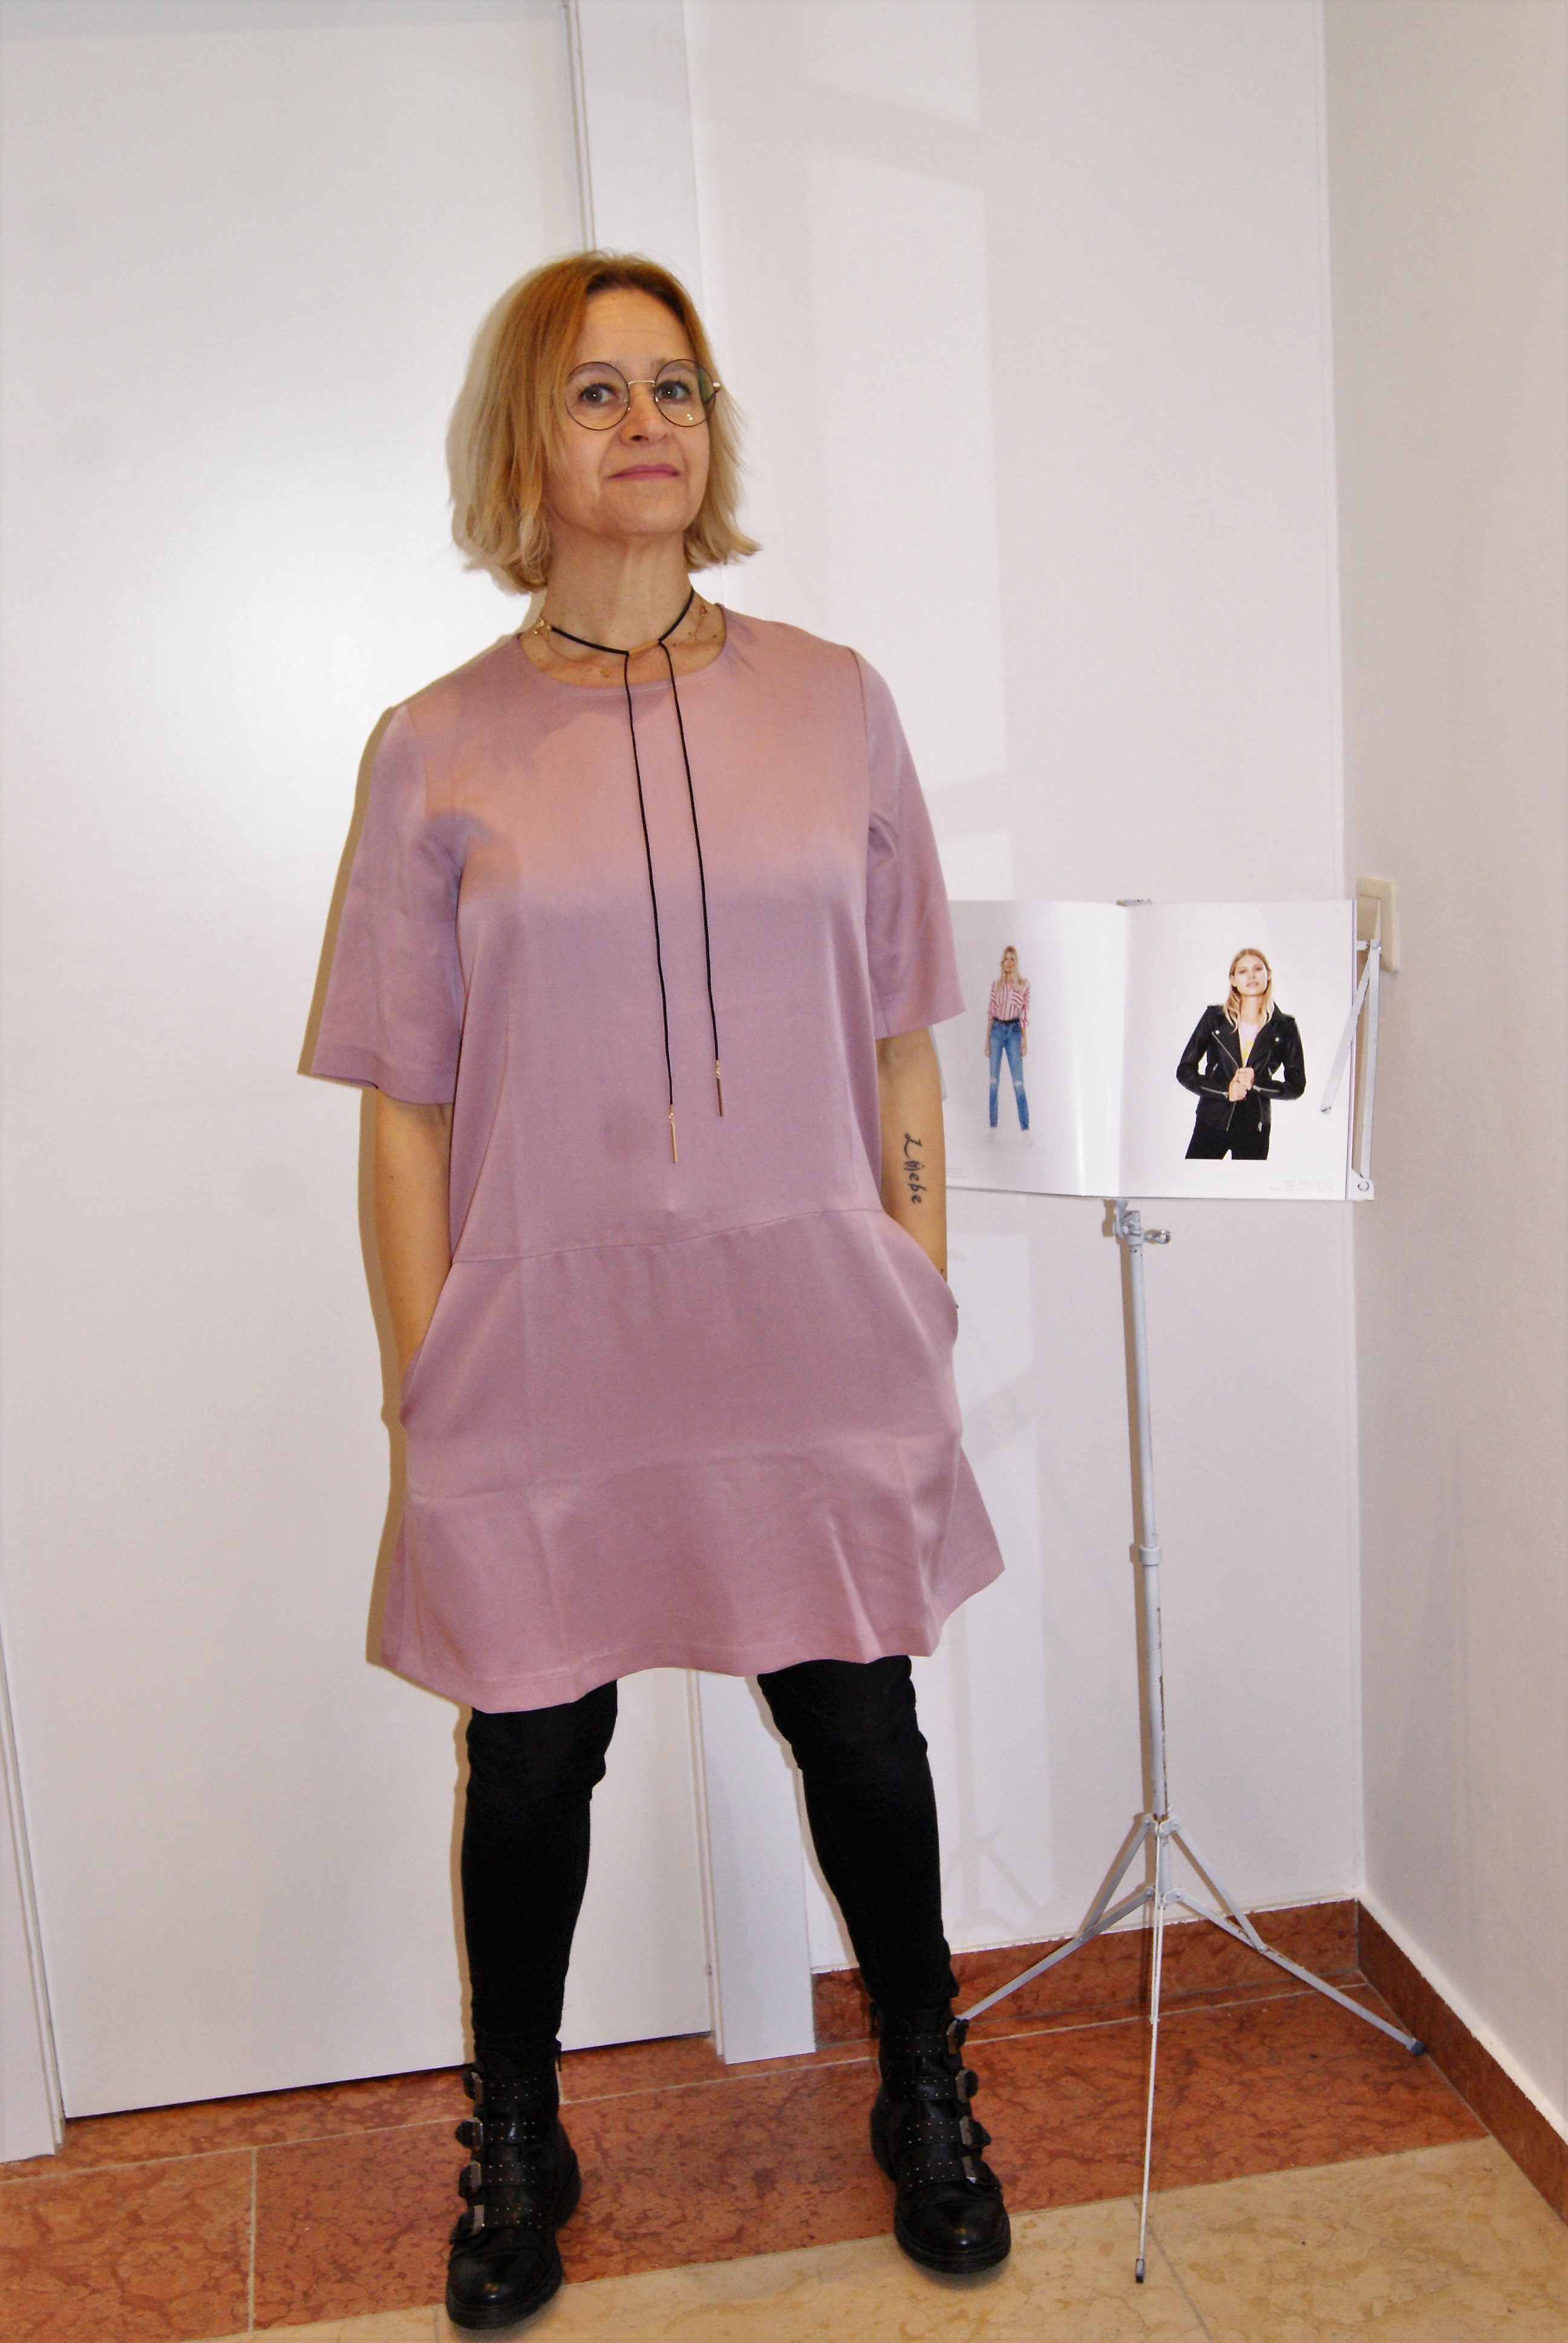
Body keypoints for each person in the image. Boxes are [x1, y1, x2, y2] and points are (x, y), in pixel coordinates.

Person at [310, 252, 1011, 2330]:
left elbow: (902, 1036)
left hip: (812, 1324)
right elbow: (407, 1104)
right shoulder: (433, 748)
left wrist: (917, 1281)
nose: (647, 424)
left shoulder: (838, 700)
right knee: (531, 1759)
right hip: (547, 1346)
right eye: (598, 390)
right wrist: (427, 1373)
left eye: (678, 387)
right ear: (522, 447)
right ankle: (519, 2133)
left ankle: (925, 2084)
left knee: (859, 1718)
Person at [1177, 947, 1305, 1160]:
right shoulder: (1214, 1018)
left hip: (1254, 1127)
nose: (1252, 976)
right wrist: (1226, 1091)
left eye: (1258, 969)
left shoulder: (1285, 1027)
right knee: (1197, 1180)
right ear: (1233, 980)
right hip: (1211, 1121)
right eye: (1243, 971)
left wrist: (1257, 1084)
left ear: (1268, 974)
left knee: (1248, 1182)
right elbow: (1185, 1071)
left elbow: (1297, 1086)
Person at [984, 945, 1030, 1130]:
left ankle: (1025, 1129)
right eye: (1006, 959)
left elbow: (1024, 1014)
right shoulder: (996, 985)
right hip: (996, 1030)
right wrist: (987, 1041)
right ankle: (993, 1127)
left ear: (1016, 962)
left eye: (1012, 959)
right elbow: (991, 1013)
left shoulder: (1023, 985)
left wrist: (1024, 1040)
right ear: (1002, 963)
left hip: (1014, 1032)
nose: (1009, 963)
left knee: (1018, 1083)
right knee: (993, 1082)